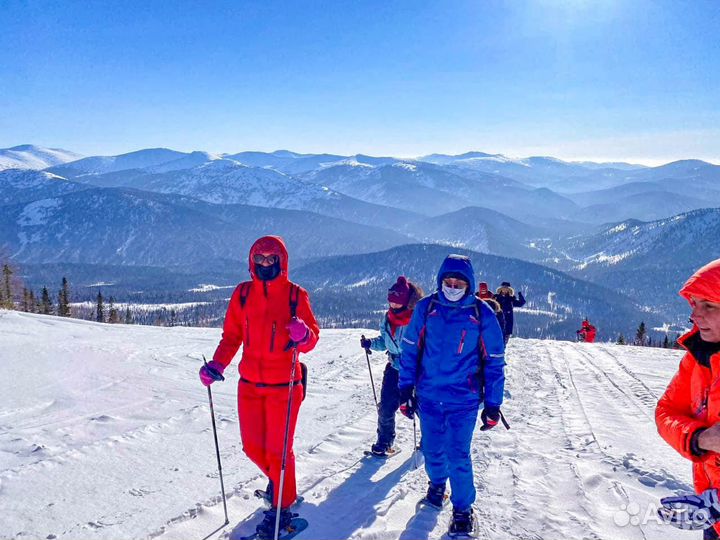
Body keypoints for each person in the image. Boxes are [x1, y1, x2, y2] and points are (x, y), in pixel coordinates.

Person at [199, 235, 319, 538]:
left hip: (286, 386)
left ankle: (282, 511)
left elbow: (312, 339)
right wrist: (217, 365)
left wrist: (303, 334)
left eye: (271, 258)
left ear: (281, 261)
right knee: (253, 447)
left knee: (279, 454)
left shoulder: (295, 295)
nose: (265, 263)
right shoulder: (242, 294)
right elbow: (231, 337)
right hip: (250, 385)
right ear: (252, 261)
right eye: (260, 258)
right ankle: (281, 485)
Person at [399, 254, 506, 536]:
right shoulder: (426, 308)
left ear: (468, 284)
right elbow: (409, 350)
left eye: (459, 282)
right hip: (429, 396)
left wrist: (493, 404)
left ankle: (462, 510)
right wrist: (404, 389)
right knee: (433, 451)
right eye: (448, 281)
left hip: (464, 400)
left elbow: (495, 360)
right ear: (440, 280)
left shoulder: (481, 313)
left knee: (458, 455)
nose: (453, 285)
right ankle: (437, 486)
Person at [656, 258, 720, 540]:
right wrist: (698, 438)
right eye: (694, 304)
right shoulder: (697, 359)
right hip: (712, 517)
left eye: (709, 305)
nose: (696, 315)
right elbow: (665, 411)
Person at [360, 276, 423, 456]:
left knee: (418, 407)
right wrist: (371, 343)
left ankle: (429, 439)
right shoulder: (388, 318)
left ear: (406, 301)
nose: (393, 306)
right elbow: (385, 342)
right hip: (394, 368)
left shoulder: (416, 319)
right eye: (391, 302)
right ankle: (384, 442)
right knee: (386, 407)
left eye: (396, 302)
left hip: (415, 371)